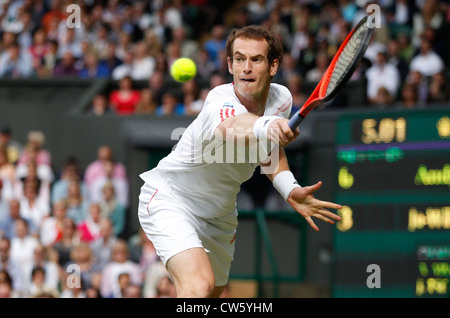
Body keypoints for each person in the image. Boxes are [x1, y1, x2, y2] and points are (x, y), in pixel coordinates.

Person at [137, 25, 342, 298]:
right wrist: (268, 125)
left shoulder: (281, 99)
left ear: (273, 66)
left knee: (213, 295)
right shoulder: (218, 101)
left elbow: (266, 151)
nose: (246, 67)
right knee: (198, 289)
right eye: (239, 59)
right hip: (171, 199)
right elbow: (232, 127)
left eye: (256, 59)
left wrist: (289, 189)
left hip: (220, 216)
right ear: (230, 65)